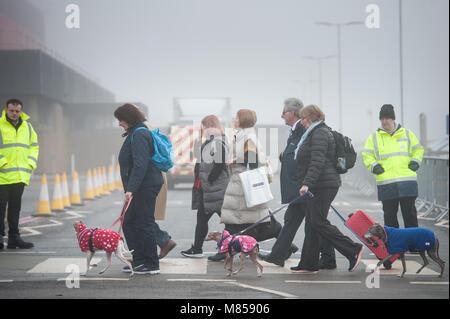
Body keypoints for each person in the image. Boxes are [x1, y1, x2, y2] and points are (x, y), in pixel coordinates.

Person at [291, 104, 363, 273]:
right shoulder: (314, 132)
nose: (301, 122)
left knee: (317, 222)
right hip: (319, 183)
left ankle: (353, 249)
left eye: (302, 118)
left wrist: (307, 183)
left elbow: (318, 161)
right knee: (312, 223)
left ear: (310, 118)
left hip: (323, 185)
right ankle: (308, 263)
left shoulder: (320, 133)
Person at [114, 103, 173, 274]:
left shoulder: (139, 133)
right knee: (129, 221)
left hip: (144, 186)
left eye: (120, 119)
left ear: (129, 118)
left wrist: (130, 189)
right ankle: (139, 259)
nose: (118, 123)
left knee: (144, 222)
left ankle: (151, 263)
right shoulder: (135, 132)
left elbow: (140, 165)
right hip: (141, 184)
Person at [219, 109, 285, 256]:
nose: (234, 120)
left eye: (236, 118)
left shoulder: (248, 137)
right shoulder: (244, 136)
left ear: (242, 120)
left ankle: (224, 250)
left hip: (243, 183)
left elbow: (254, 160)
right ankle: (285, 243)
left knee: (235, 219)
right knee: (249, 219)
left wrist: (235, 160)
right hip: (240, 182)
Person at [362, 104, 424, 232]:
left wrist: (416, 162)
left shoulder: (407, 134)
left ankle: (413, 244)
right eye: (382, 119)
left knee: (410, 215)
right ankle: (395, 247)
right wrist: (374, 166)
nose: (384, 121)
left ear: (393, 119)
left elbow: (418, 149)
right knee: (390, 216)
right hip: (386, 183)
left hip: (407, 182)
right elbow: (367, 155)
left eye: (387, 118)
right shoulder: (374, 137)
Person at [181, 115, 230, 258]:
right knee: (203, 219)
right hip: (209, 189)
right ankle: (197, 248)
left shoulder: (218, 141)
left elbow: (219, 163)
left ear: (209, 126)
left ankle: (223, 250)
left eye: (203, 126)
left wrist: (209, 179)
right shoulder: (212, 140)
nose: (201, 128)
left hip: (214, 188)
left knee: (229, 221)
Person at [0, 99, 39, 249]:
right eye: (12, 111)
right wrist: (2, 163)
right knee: (0, 208)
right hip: (2, 176)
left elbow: (34, 146)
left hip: (20, 176)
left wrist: (30, 163)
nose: (15, 114)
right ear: (6, 110)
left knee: (15, 208)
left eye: (17, 111)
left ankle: (14, 239)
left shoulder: (28, 127)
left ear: (21, 111)